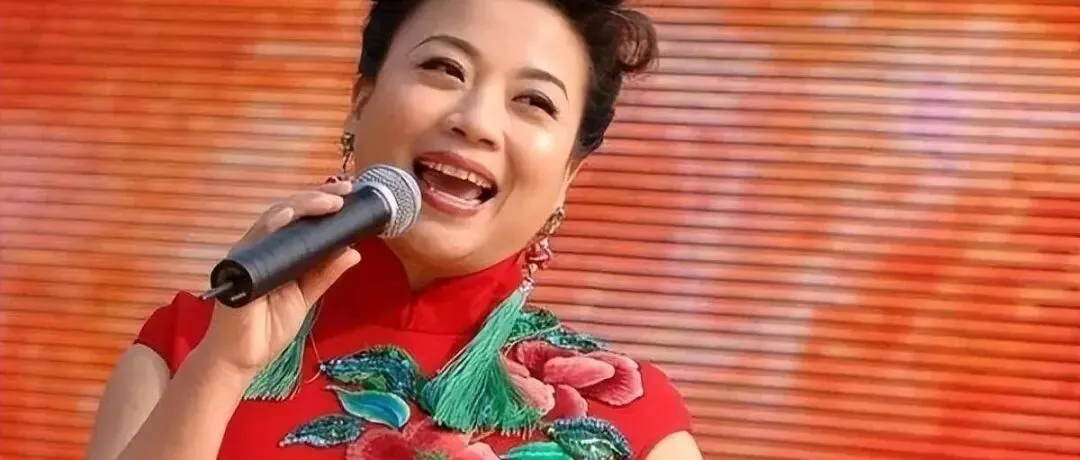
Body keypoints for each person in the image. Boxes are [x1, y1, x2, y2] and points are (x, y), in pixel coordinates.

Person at [86, 0, 704, 458]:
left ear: (569, 173)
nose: (475, 120)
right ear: (361, 104)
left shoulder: (634, 425)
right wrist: (221, 369)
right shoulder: (186, 349)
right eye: (444, 68)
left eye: (534, 101)